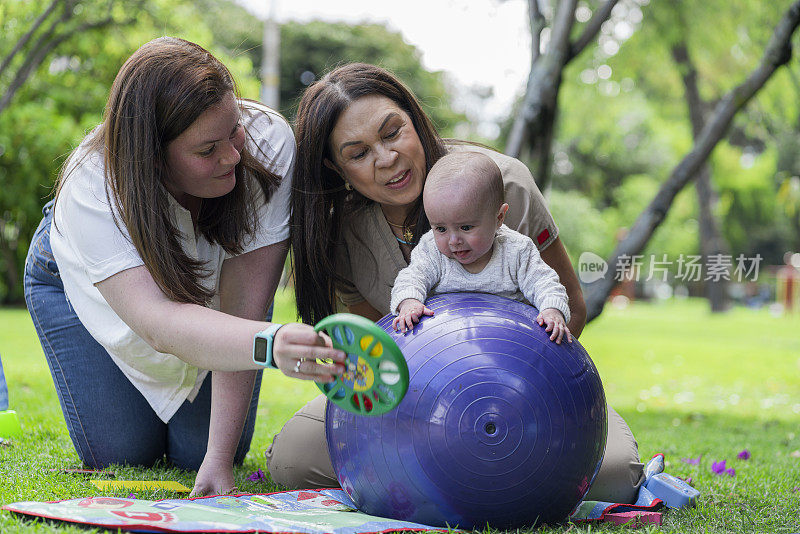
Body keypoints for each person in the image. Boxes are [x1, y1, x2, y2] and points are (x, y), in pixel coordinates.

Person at [272, 62, 645, 504]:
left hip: (519, 396)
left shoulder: (501, 184)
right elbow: (380, 348)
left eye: (393, 133)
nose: (387, 158)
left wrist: (499, 393)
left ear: (415, 119)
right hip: (408, 402)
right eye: (358, 153)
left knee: (615, 477)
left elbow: (572, 309)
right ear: (338, 169)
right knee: (293, 461)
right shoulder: (345, 230)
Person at [23, 37, 345, 497]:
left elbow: (242, 313)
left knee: (204, 452)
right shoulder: (93, 186)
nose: (233, 155)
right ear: (153, 158)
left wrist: (216, 459)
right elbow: (159, 324)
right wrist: (271, 344)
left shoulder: (267, 143)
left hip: (199, 303)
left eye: (233, 130)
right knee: (124, 452)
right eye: (207, 149)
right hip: (85, 286)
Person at [390, 151, 571, 344]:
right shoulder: (432, 250)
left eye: (466, 227)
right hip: (446, 343)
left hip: (507, 343)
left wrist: (552, 309)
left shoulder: (517, 251)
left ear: (499, 217)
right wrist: (409, 301)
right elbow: (412, 277)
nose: (453, 240)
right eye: (441, 228)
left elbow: (544, 282)